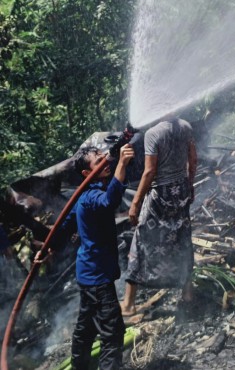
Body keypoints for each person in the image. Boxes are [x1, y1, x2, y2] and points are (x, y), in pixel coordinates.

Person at [54, 144, 134, 370]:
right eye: (98, 159)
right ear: (86, 174)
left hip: (87, 274)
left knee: (86, 327)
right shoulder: (91, 196)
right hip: (98, 278)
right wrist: (122, 164)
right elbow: (110, 201)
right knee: (112, 333)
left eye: (102, 155)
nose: (104, 160)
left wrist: (49, 247)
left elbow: (65, 226)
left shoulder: (82, 197)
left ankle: (80, 367)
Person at [120, 118, 197, 316]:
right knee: (182, 238)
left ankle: (128, 304)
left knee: (141, 238)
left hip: (160, 194)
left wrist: (135, 203)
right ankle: (188, 294)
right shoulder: (186, 127)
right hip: (181, 189)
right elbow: (193, 159)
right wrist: (190, 184)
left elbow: (149, 171)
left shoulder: (153, 134)